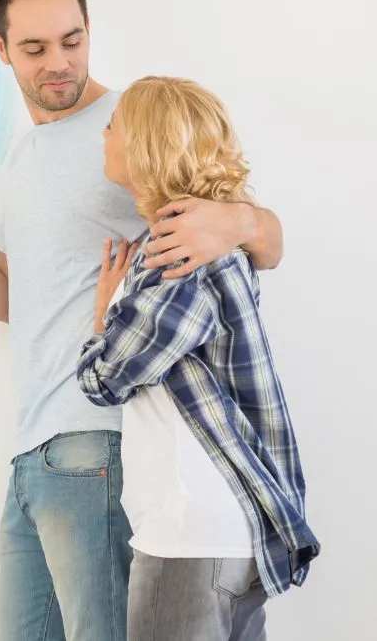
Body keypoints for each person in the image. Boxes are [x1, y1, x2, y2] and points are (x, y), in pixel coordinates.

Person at [0, 0, 285, 641]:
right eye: (34, 47)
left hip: (100, 442)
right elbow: (13, 292)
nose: (57, 62)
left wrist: (241, 221)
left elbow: (261, 241)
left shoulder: (134, 127)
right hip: (33, 453)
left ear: (89, 28)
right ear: (1, 49)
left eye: (72, 40)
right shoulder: (25, 158)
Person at [77, 76, 319, 641]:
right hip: (229, 534)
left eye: (114, 125)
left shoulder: (177, 254)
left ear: (144, 148)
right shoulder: (212, 239)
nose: (104, 133)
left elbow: (105, 378)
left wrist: (102, 318)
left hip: (191, 534)